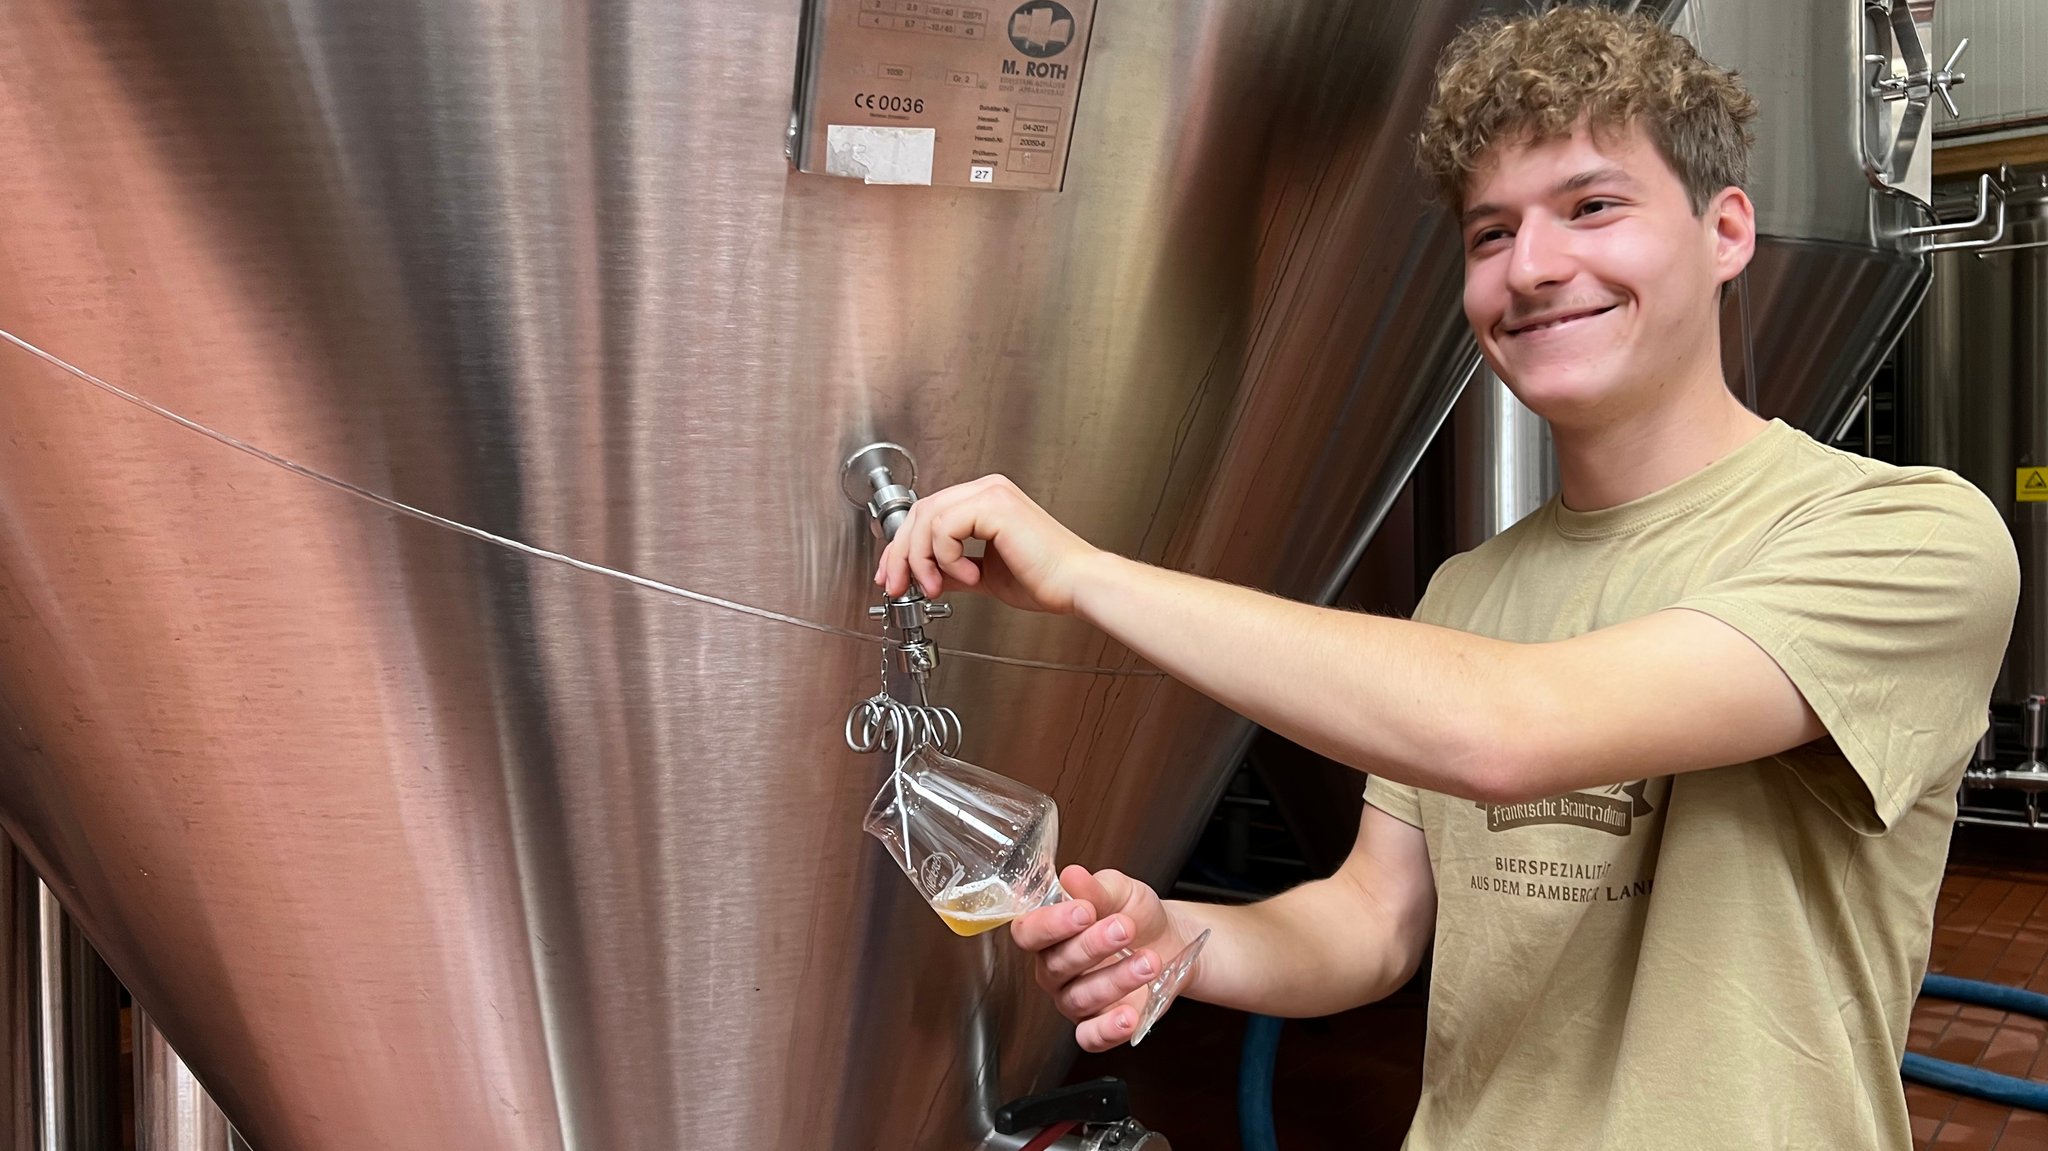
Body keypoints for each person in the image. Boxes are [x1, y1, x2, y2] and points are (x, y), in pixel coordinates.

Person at [874, 7, 2019, 1148]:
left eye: (1591, 206)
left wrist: (1085, 573)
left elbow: (1504, 726)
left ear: (1724, 230)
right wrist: (1179, 935)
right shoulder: (1466, 595)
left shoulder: (1901, 538)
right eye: (1487, 234)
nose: (1531, 267)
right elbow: (1372, 920)